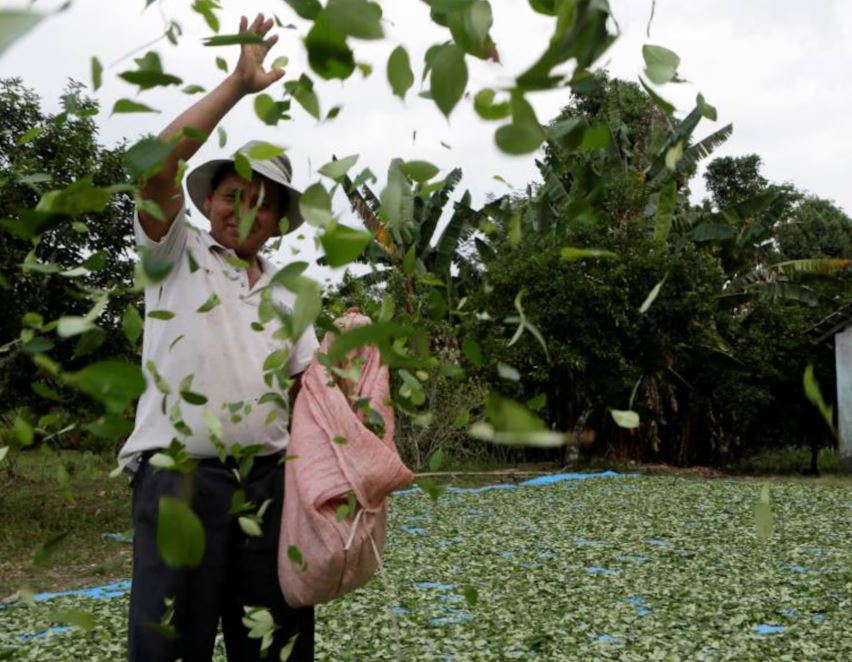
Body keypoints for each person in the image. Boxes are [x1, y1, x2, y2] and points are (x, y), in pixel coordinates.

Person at [118, 13, 317, 662]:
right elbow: (154, 163)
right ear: (209, 201)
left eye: (263, 201)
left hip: (268, 489)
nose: (245, 210)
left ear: (278, 221)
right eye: (235, 193)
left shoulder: (291, 292)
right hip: (179, 484)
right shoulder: (173, 253)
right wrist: (237, 83)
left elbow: (309, 391)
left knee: (275, 648)